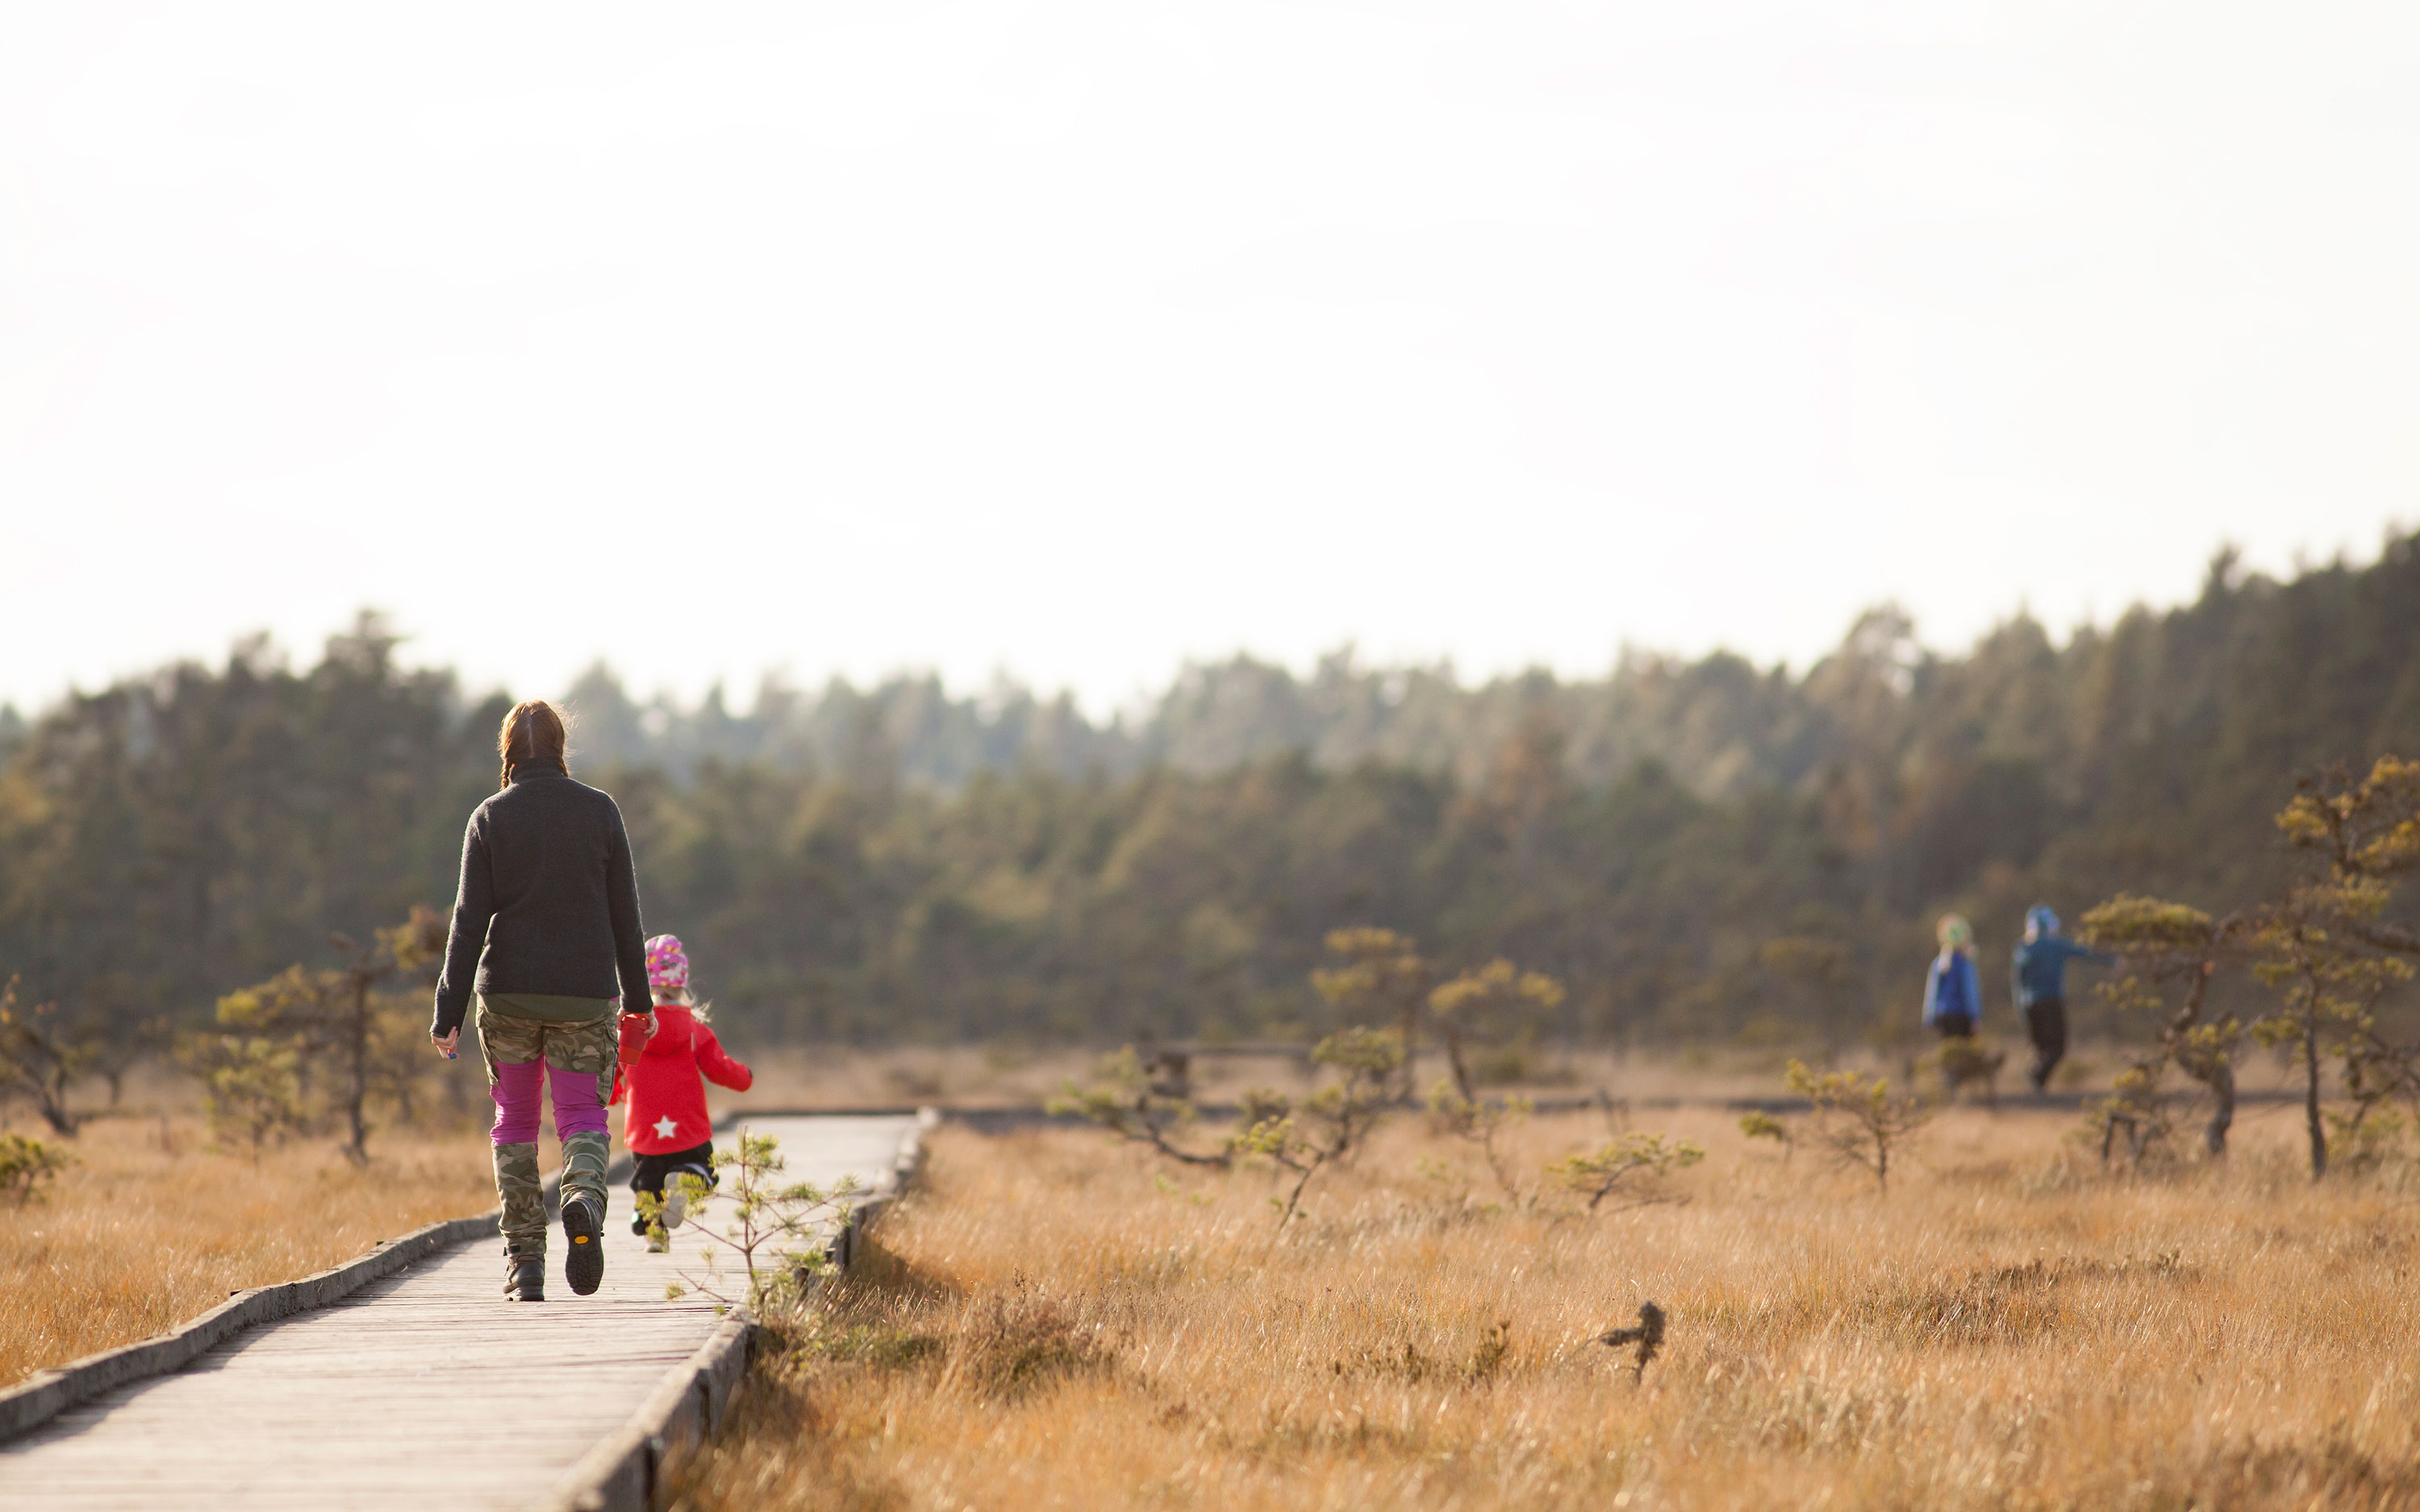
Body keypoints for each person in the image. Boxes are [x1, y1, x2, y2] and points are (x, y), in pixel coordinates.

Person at [430, 700, 657, 1304]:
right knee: (583, 1118)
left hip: (505, 993)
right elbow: (625, 919)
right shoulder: (600, 811)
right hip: (584, 994)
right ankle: (582, 1196)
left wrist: (447, 1012)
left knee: (515, 1123)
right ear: (561, 746)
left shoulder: (489, 817)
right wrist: (640, 1001)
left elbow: (468, 921)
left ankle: (525, 1259)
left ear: (507, 750)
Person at [611, 934, 753, 1250]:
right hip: (687, 1127)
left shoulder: (630, 1031)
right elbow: (721, 1067)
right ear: (682, 985)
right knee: (700, 1171)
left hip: (645, 1130)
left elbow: (612, 1072)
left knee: (648, 1188)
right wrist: (746, 1078)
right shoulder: (694, 1031)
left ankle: (655, 1236)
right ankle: (687, 1178)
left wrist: (607, 1096)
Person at [2011, 906, 2111, 1093]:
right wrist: (2111, 961)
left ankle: (2038, 1087)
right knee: (2058, 1048)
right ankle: (2036, 1077)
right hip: (2050, 1001)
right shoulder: (2055, 945)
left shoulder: (2023, 949)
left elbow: (2017, 985)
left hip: (2028, 1004)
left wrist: (2020, 1010)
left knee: (2040, 1048)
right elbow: (2084, 952)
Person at [1921, 914, 1982, 1041]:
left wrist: (1929, 1018)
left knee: (1948, 1052)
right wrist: (1974, 1017)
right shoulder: (1965, 963)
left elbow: (1932, 993)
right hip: (1961, 1016)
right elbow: (1969, 992)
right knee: (1964, 1054)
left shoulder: (1938, 963)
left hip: (1942, 1017)